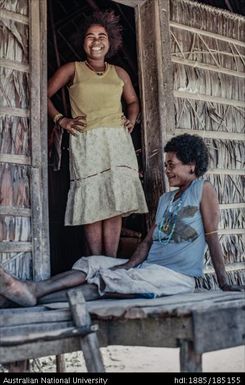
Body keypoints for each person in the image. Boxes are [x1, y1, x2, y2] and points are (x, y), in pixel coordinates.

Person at [0, 134, 244, 308]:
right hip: (147, 268)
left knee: (110, 280)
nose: (167, 170)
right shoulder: (166, 199)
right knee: (92, 263)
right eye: (166, 164)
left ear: (191, 166)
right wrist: (128, 265)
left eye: (172, 165)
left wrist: (224, 283)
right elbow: (148, 243)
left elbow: (212, 237)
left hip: (175, 277)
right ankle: (34, 290)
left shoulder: (203, 189)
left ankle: (27, 299)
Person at [48, 10, 148, 257]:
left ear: (110, 41)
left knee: (114, 202)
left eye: (101, 36)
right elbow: (42, 94)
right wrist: (61, 119)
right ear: (83, 41)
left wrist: (132, 120)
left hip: (117, 142)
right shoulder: (72, 69)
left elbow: (133, 102)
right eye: (90, 36)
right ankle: (95, 262)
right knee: (92, 202)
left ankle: (111, 262)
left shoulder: (119, 73)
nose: (96, 41)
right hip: (88, 141)